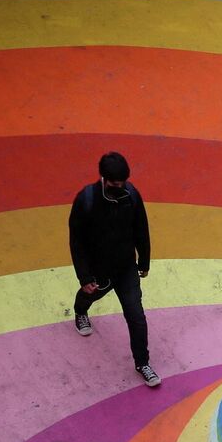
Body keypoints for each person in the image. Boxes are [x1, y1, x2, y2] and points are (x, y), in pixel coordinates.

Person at [68, 152, 159, 387]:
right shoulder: (86, 200)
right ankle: (80, 312)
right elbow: (76, 241)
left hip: (126, 267)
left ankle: (143, 363)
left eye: (123, 183)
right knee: (91, 294)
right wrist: (84, 276)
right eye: (115, 184)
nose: (120, 187)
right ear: (104, 179)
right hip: (99, 269)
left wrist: (144, 260)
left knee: (136, 316)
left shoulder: (132, 195)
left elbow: (141, 228)